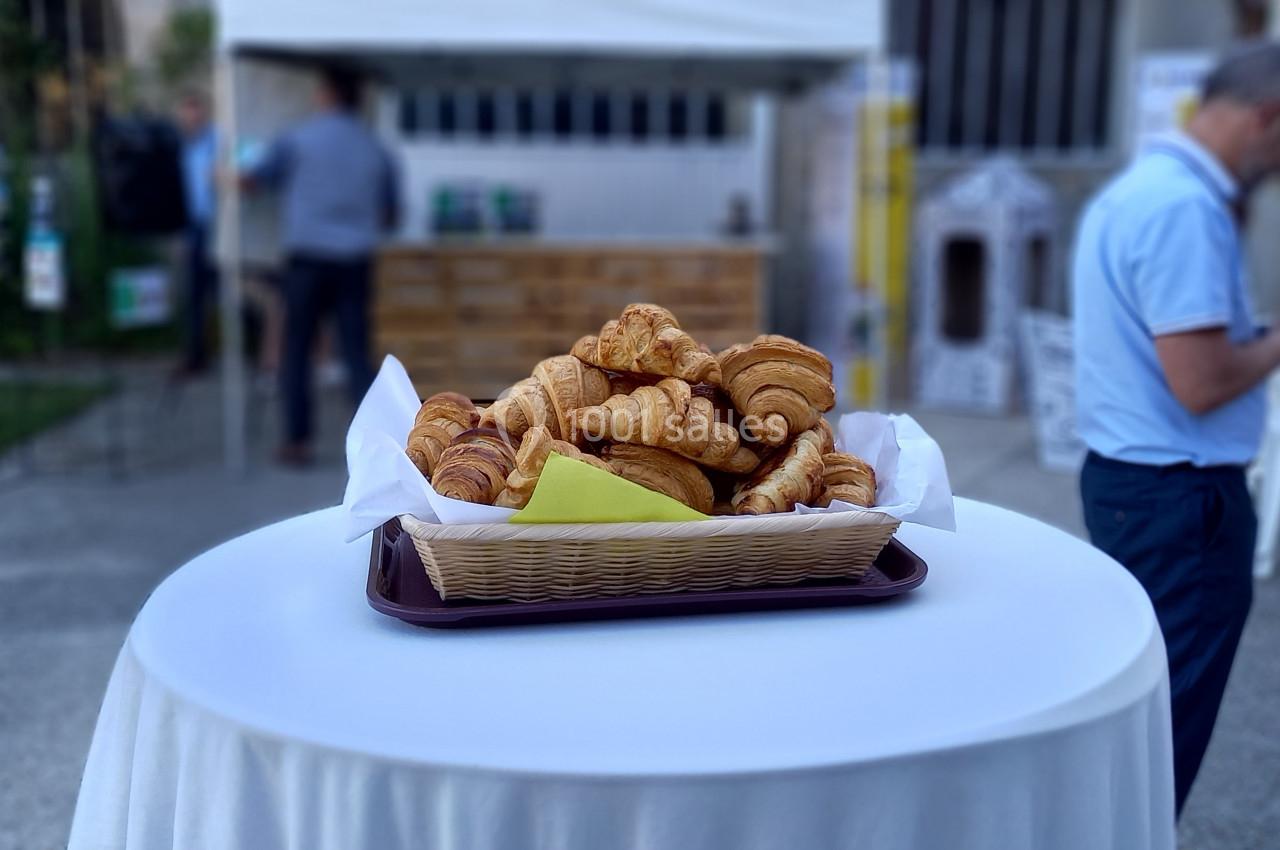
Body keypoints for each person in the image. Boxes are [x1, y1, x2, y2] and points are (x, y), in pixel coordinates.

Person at [1073, 42, 1280, 814]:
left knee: (1140, 725)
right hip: (1182, 503)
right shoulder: (1185, 209)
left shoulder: (1141, 191)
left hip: (1141, 488)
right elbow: (1201, 382)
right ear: (1268, 117)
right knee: (1162, 743)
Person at [242, 67, 400, 466]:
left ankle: (297, 441)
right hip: (354, 260)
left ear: (326, 94)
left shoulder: (298, 138)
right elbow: (389, 214)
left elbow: (253, 181)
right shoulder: (375, 148)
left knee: (296, 348)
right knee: (355, 352)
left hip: (308, 258)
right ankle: (379, 446)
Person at [175, 91, 218, 376]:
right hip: (194, 226)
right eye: (188, 112)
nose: (193, 117)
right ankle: (196, 354)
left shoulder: (217, 140)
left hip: (219, 223)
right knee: (195, 293)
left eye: (197, 111)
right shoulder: (181, 147)